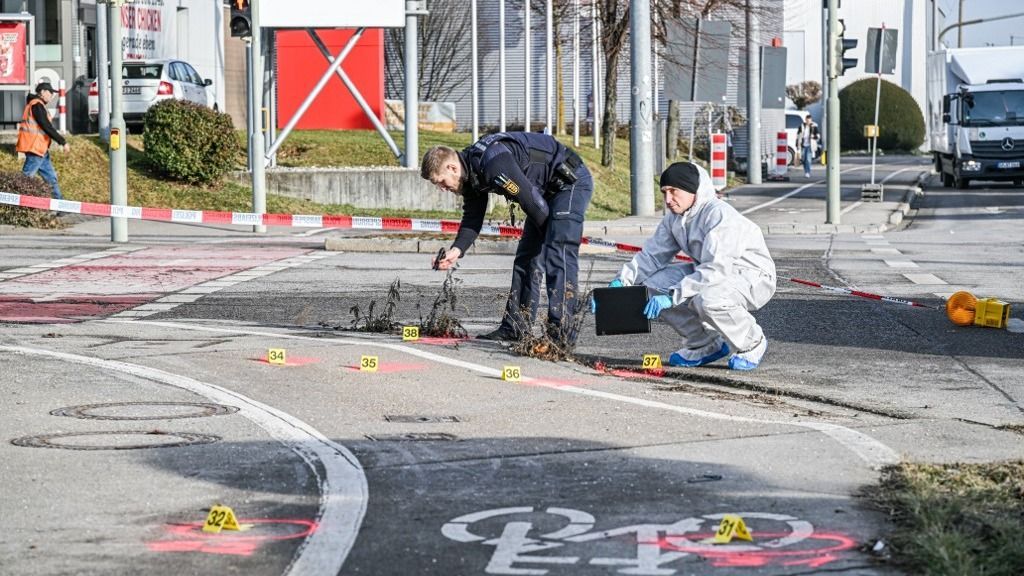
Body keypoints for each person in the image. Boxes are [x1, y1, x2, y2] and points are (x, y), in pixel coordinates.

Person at [421, 132, 592, 343]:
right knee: (527, 258)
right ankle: (516, 327)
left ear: (452, 168)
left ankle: (561, 336)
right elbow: (473, 218)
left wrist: (556, 236)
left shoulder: (493, 163)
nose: (442, 189)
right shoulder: (472, 172)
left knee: (558, 251)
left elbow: (531, 201)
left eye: (441, 183)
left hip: (569, 184)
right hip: (543, 193)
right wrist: (455, 251)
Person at [604, 161, 776, 371]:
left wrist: (673, 295)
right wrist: (622, 281)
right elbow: (652, 256)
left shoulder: (719, 216)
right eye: (664, 192)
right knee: (651, 286)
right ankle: (704, 344)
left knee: (708, 299)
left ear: (692, 190)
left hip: (752, 276)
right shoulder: (674, 219)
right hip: (710, 272)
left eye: (673, 191)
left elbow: (716, 269)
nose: (668, 199)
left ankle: (752, 342)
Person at [16, 82, 68, 200]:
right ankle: (15, 204)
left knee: (51, 178)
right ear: (43, 92)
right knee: (26, 178)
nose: (51, 96)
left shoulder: (36, 105)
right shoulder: (36, 105)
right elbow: (46, 126)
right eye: (50, 93)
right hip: (35, 148)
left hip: (41, 150)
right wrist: (62, 141)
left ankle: (60, 206)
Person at [796, 114, 819, 179]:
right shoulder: (802, 126)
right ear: (805, 120)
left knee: (808, 159)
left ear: (811, 120)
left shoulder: (814, 126)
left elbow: (818, 136)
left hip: (810, 145)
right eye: (807, 120)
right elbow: (798, 136)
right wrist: (797, 145)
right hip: (803, 145)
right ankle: (806, 171)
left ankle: (807, 172)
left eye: (809, 120)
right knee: (803, 159)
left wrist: (813, 136)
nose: (808, 122)